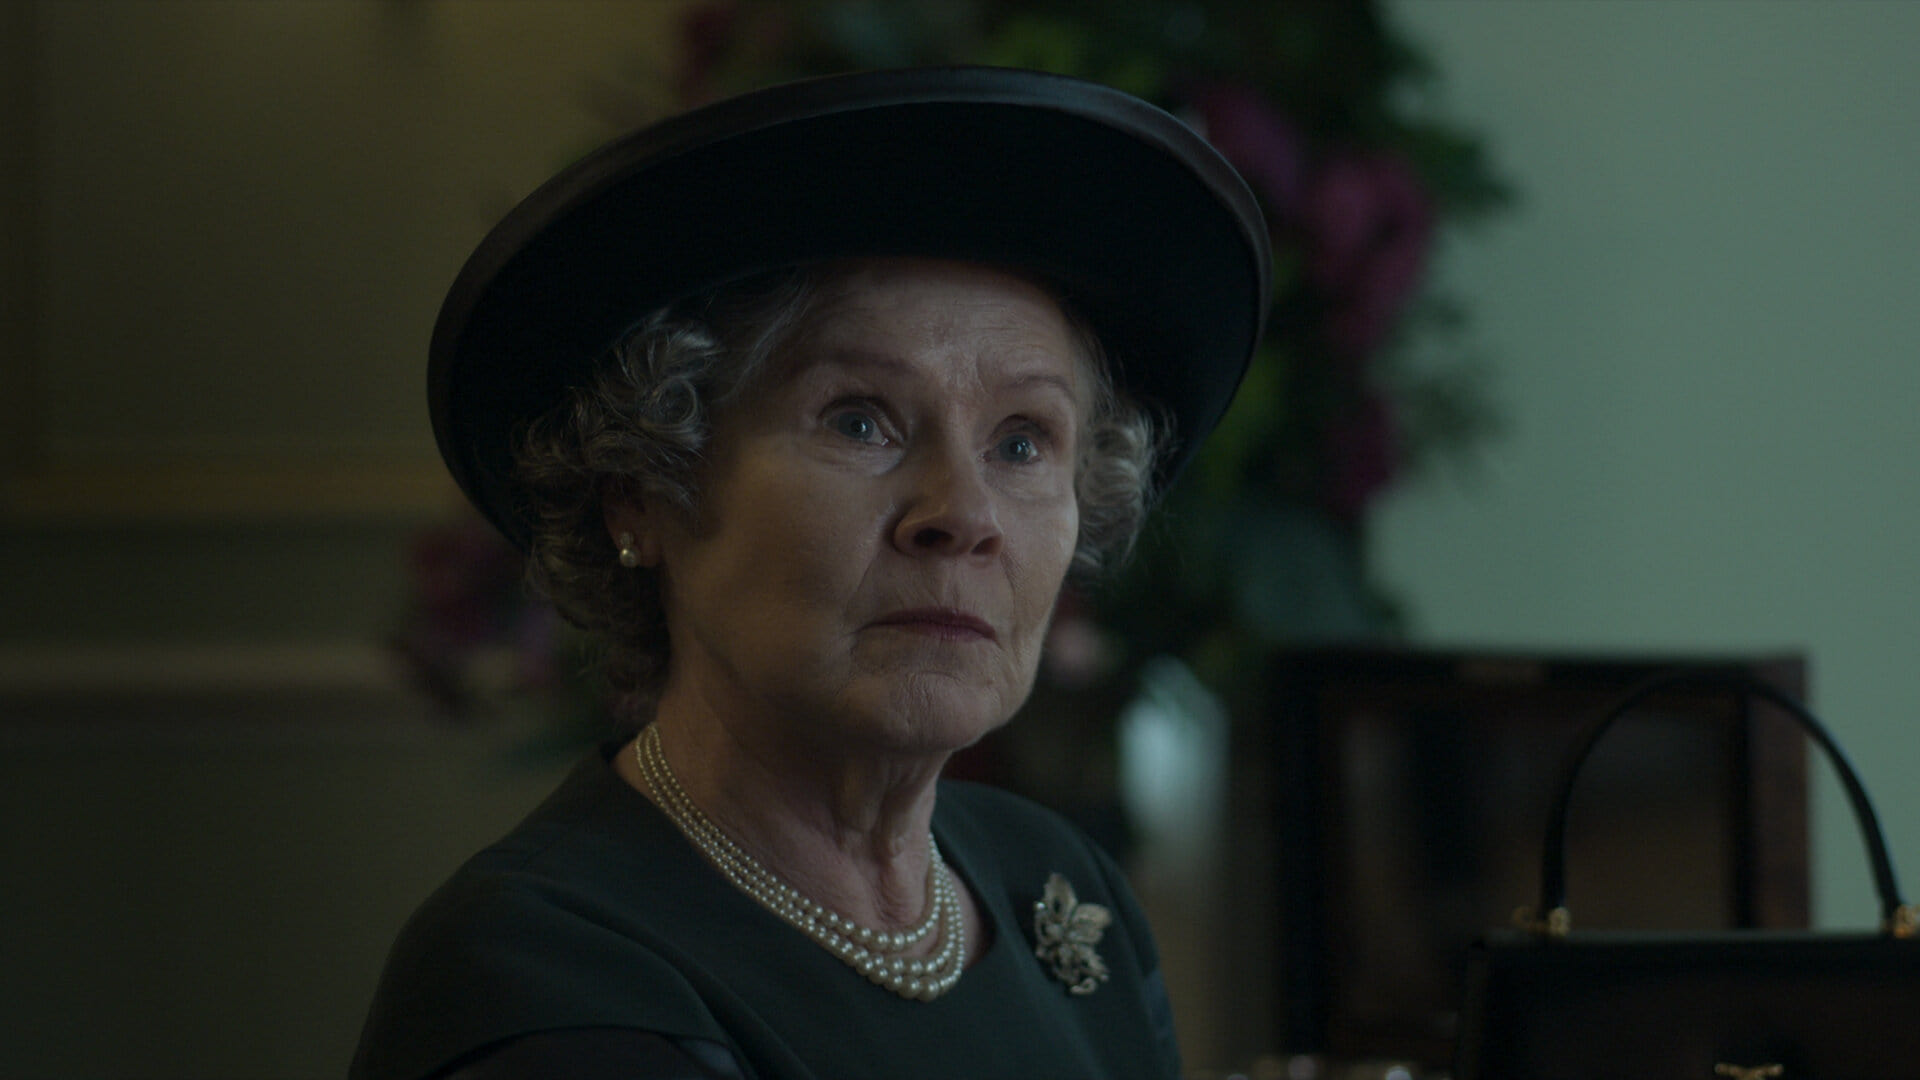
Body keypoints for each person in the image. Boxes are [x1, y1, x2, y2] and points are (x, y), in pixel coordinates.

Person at [351, 67, 1268, 1080]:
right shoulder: (547, 977)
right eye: (860, 422)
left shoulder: (1057, 886)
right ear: (640, 491)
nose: (963, 516)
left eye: (1022, 442)